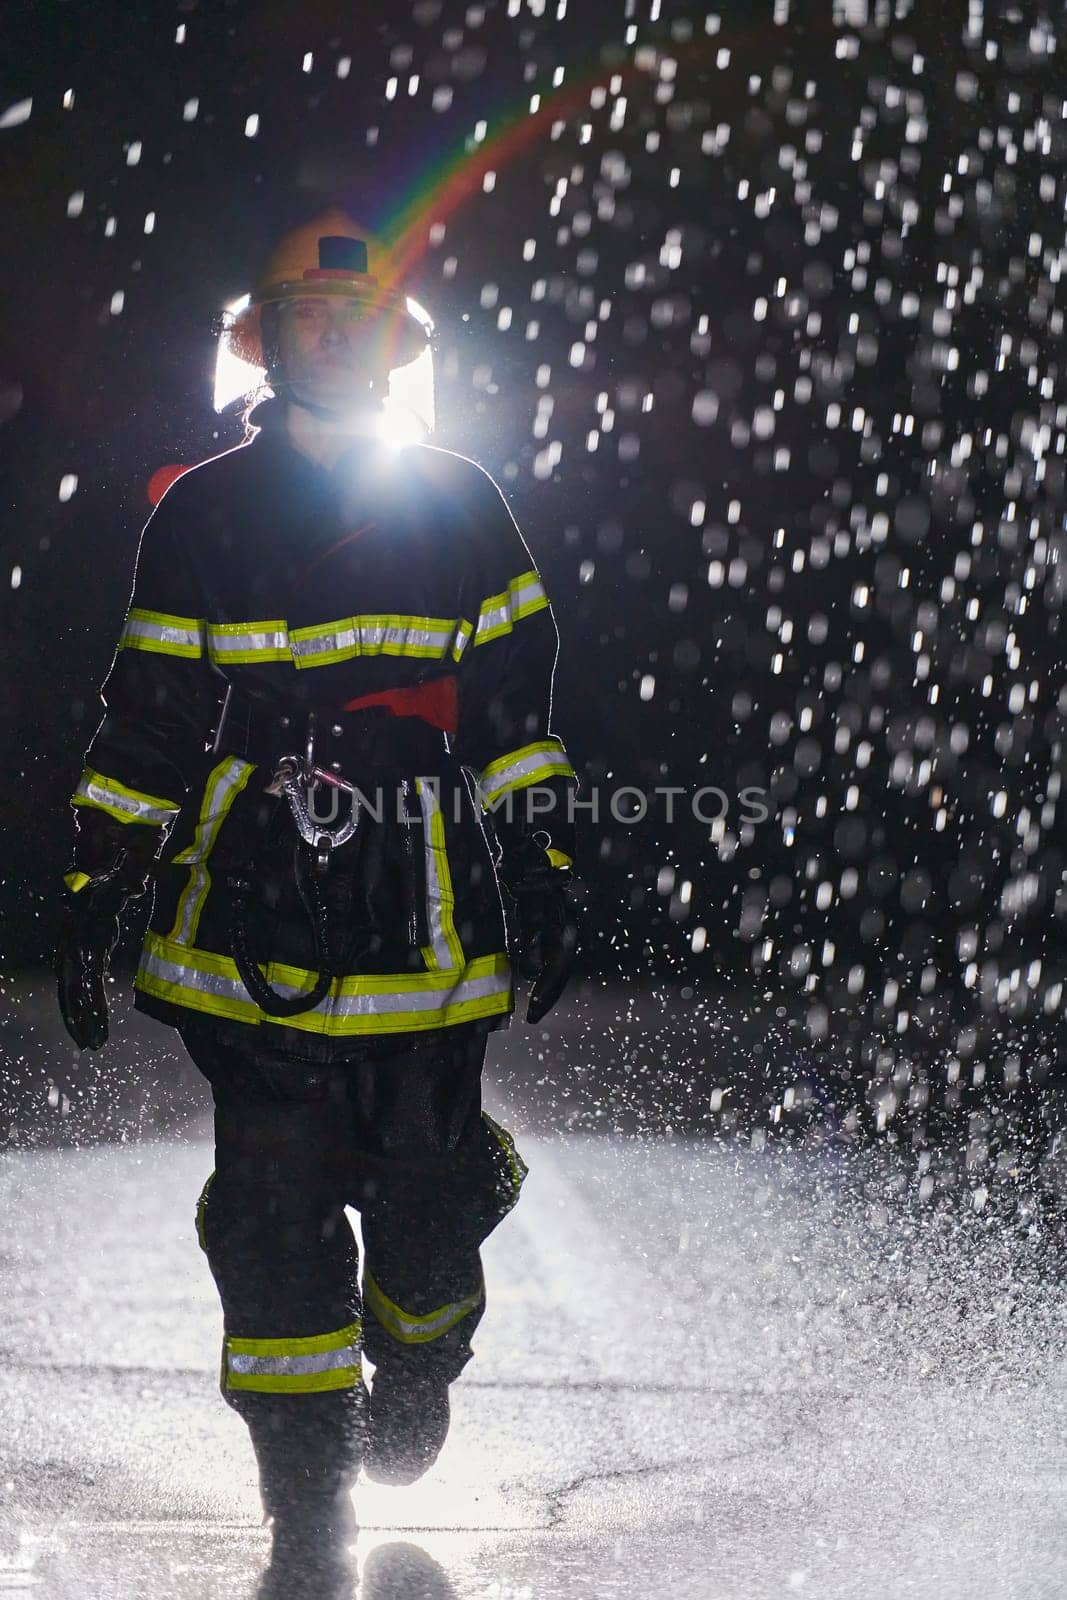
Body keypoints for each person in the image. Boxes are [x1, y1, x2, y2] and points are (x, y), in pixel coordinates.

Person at [54, 208, 582, 1597]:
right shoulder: (206, 512)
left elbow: (515, 706)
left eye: (355, 317)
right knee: (272, 1215)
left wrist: (545, 858)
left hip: (421, 912)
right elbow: (156, 705)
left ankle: (418, 1352)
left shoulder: (459, 500)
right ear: (269, 337)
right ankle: (304, 1501)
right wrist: (101, 870)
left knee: (423, 1204)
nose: (332, 334)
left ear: (392, 343)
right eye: (306, 315)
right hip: (254, 915)